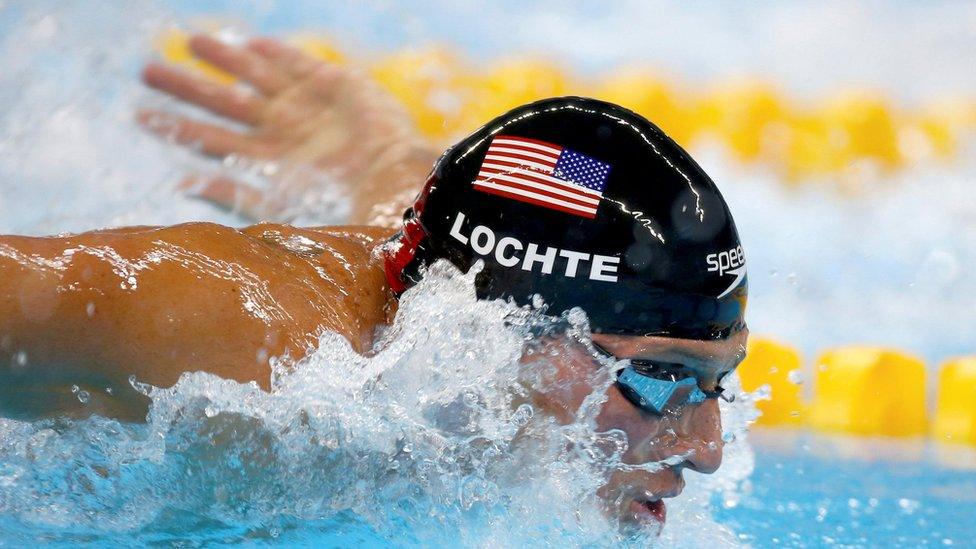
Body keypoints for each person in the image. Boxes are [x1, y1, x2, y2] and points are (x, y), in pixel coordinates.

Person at [0, 35, 748, 526]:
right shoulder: (253, 341)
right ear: (500, 333)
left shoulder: (457, 322)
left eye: (717, 383)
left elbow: (444, 252)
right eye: (658, 378)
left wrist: (379, 164)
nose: (707, 447)